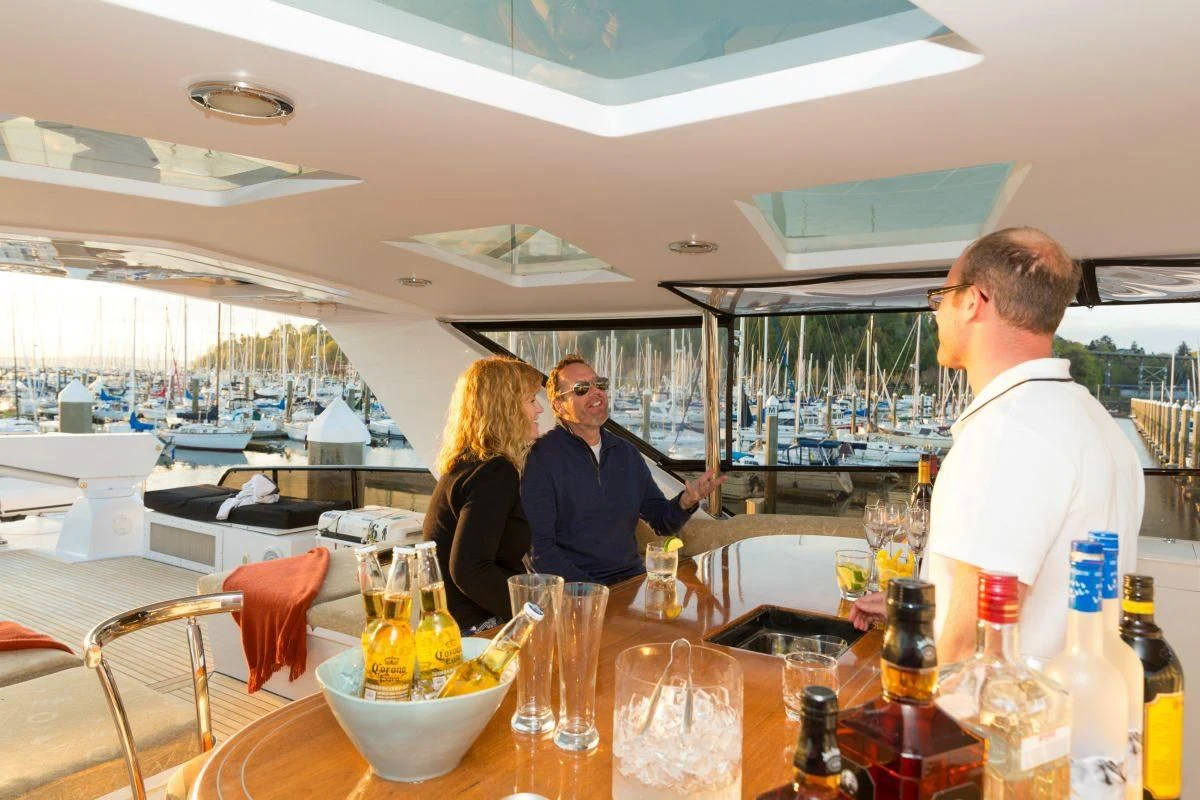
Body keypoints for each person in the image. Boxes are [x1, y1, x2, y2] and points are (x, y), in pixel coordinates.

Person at [850, 227, 1144, 665]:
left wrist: (914, 723)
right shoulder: (1097, 423)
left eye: (942, 297)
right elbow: (1042, 597)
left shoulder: (1009, 432)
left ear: (973, 301)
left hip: (997, 728)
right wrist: (918, 611)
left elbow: (974, 645)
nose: (936, 314)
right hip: (1076, 718)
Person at [522, 355, 725, 585]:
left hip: (631, 584)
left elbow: (661, 521)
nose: (596, 392)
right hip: (576, 593)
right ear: (559, 405)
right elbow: (539, 551)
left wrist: (685, 502)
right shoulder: (541, 458)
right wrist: (592, 593)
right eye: (581, 389)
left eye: (600, 384)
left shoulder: (626, 453)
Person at [422, 356, 544, 634]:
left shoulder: (466, 464)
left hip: (450, 623)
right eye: (531, 400)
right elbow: (470, 569)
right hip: (476, 627)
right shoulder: (495, 472)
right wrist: (532, 616)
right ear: (506, 409)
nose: (539, 410)